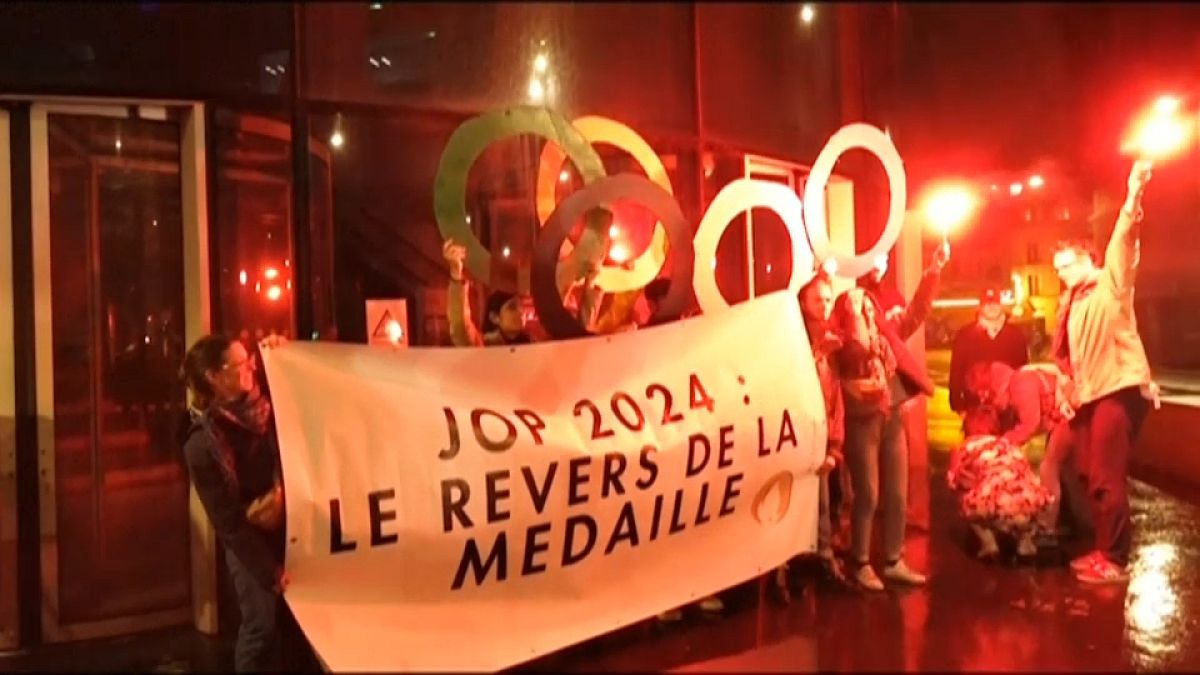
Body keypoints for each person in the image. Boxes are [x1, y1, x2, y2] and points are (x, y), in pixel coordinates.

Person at [1051, 159, 1161, 584]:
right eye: (1057, 268)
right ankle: (1103, 549)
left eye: (1065, 266)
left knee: (1105, 476)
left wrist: (1133, 194)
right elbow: (1068, 357)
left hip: (1119, 389)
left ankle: (1114, 560)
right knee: (1085, 472)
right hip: (1092, 394)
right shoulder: (1072, 302)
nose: (1059, 275)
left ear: (1087, 260)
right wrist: (1067, 387)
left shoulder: (1107, 284)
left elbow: (1124, 240)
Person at [178, 334, 316, 672]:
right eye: (241, 362)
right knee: (261, 627)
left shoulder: (271, 405)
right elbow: (229, 523)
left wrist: (287, 352)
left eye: (249, 358)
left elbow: (305, 385)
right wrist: (268, 570)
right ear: (215, 376)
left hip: (296, 530)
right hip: (252, 543)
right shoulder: (201, 446)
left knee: (303, 626)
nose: (251, 365)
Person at [832, 246, 947, 592]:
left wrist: (933, 272)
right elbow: (849, 350)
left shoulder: (886, 327)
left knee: (897, 492)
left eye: (869, 305)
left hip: (891, 412)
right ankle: (861, 562)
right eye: (859, 305)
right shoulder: (845, 334)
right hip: (862, 416)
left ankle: (894, 559)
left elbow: (915, 313)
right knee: (867, 491)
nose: (866, 309)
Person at [948, 288, 1030, 418]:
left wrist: (1024, 403)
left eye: (995, 303)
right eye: (987, 303)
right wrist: (957, 404)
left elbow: (1023, 371)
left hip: (1008, 408)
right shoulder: (965, 335)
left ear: (1001, 306)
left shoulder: (1016, 335)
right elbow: (956, 370)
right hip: (975, 408)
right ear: (980, 307)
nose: (991, 307)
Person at [443, 239, 533, 346]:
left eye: (521, 306)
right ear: (494, 317)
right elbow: (460, 328)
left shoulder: (534, 346)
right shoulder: (485, 346)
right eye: (512, 307)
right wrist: (456, 274)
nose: (520, 312)